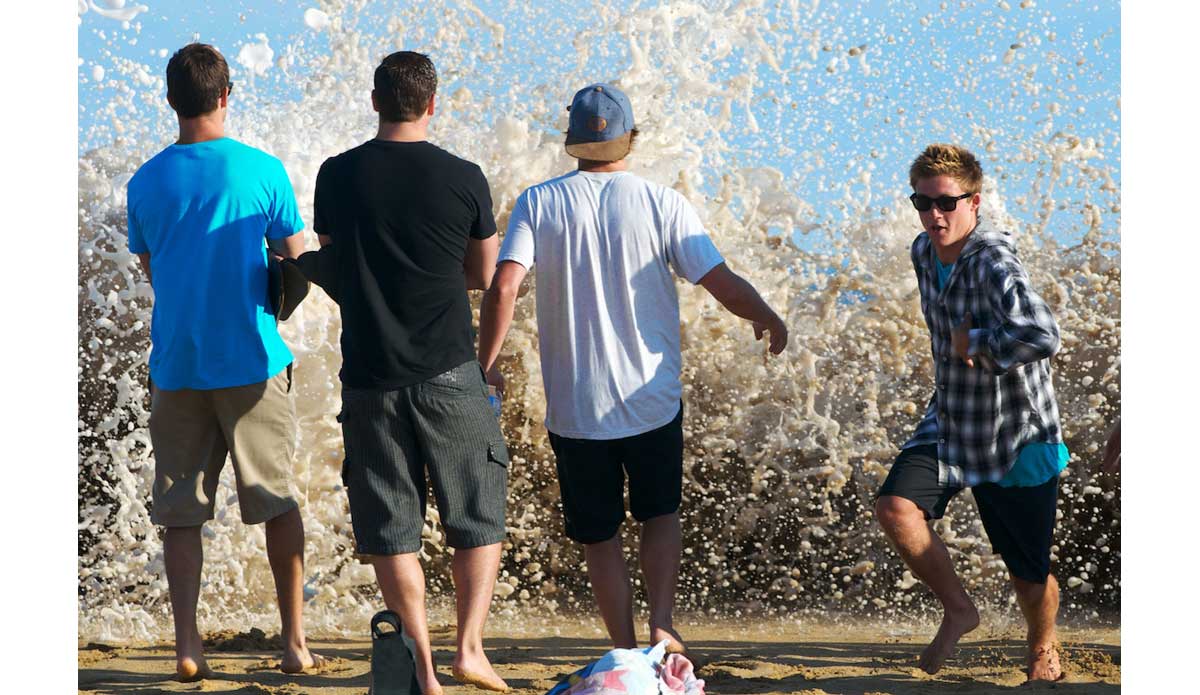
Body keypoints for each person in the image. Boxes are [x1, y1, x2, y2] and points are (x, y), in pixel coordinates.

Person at [477, 83, 788, 656]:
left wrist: (485, 364)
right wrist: (766, 314)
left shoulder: (539, 202)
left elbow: (504, 287)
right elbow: (719, 282)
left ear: (570, 141)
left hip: (576, 408)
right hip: (652, 401)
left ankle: (622, 647)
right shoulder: (661, 201)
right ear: (631, 138)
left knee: (600, 537)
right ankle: (662, 626)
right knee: (659, 515)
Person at [313, 51, 510, 695]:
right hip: (450, 370)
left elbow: (337, 263)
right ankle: (471, 649)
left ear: (375, 101)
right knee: (476, 514)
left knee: (391, 526)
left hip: (370, 376)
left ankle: (423, 670)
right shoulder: (463, 177)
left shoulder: (336, 176)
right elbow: (483, 276)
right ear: (432, 104)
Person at [126, 43, 320, 681]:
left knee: (180, 510)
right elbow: (299, 258)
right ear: (226, 94)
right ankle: (294, 642)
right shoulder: (261, 170)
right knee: (274, 500)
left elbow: (155, 269)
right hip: (252, 359)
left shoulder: (145, 181)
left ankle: (188, 645)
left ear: (170, 99)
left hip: (177, 363)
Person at [874, 144, 1068, 681]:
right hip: (953, 416)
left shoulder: (993, 261)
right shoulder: (923, 251)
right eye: (922, 202)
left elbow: (1043, 333)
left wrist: (977, 342)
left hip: (1016, 430)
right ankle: (960, 609)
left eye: (947, 203)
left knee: (1028, 576)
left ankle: (1042, 644)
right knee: (896, 508)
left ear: (974, 202)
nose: (934, 215)